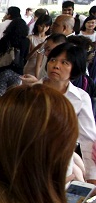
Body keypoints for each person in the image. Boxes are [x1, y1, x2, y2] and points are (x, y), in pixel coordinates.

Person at [28, 43, 96, 183]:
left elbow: (88, 139)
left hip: (61, 168)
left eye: (64, 62)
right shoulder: (29, 92)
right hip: (27, 164)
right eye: (53, 60)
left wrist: (92, 177)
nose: (56, 65)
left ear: (75, 68)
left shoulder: (81, 98)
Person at [0, 7, 29, 99]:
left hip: (2, 70)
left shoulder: (5, 39)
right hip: (17, 72)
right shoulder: (26, 41)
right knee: (12, 97)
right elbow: (25, 57)